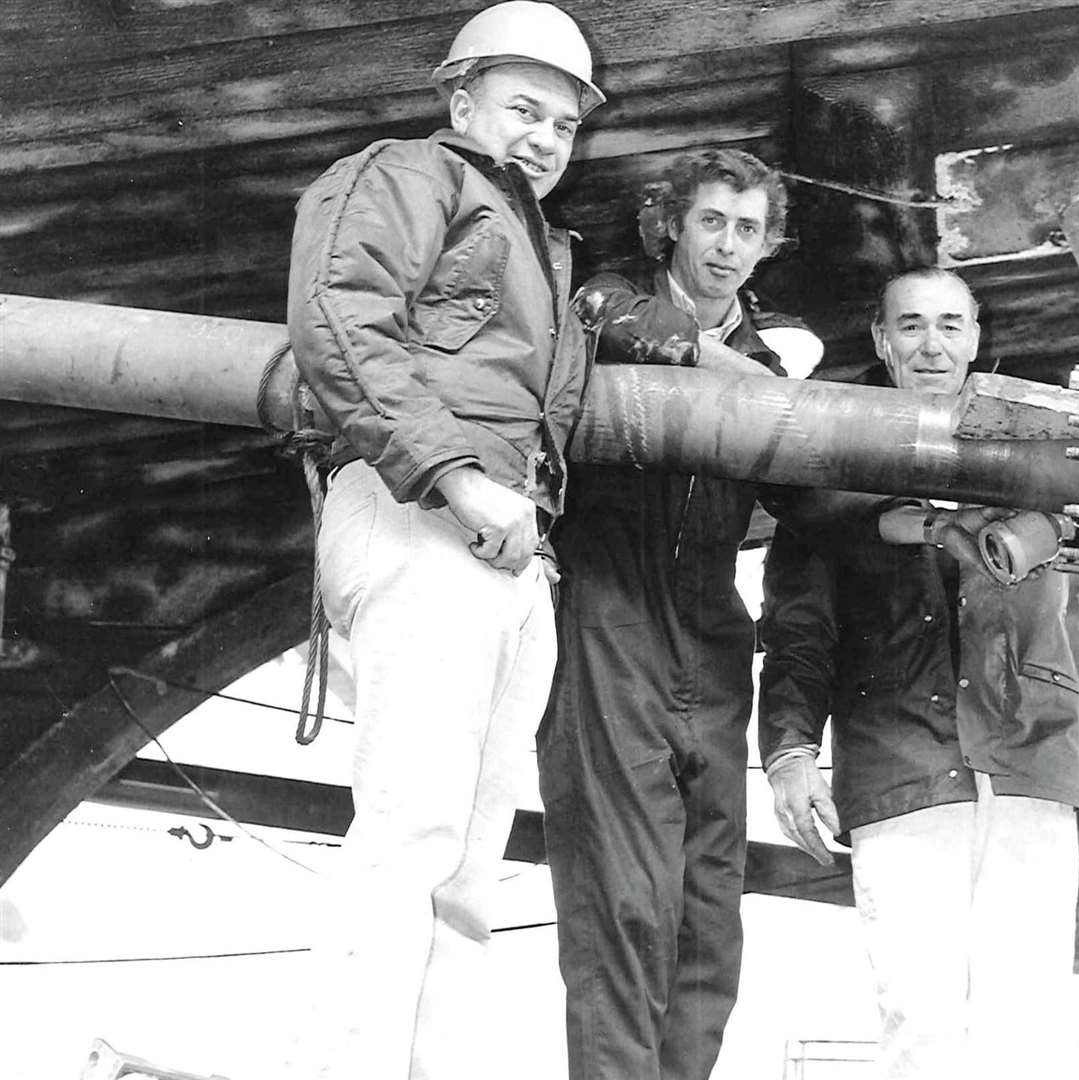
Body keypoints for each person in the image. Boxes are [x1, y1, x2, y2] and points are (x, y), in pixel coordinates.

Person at [284, 4, 603, 1076]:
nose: (545, 138)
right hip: (423, 512)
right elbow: (339, 317)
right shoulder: (405, 175)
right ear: (460, 100)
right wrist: (462, 478)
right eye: (524, 108)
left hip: (503, 545)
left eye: (563, 122)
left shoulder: (541, 240)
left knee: (468, 872)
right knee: (410, 836)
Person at [757, 267, 1079, 1080]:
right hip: (901, 766)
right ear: (879, 340)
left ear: (977, 337)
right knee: (920, 1023)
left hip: (1026, 762)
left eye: (949, 325)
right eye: (909, 326)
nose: (931, 345)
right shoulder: (829, 471)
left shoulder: (1046, 450)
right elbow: (800, 637)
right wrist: (790, 754)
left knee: (1029, 1023)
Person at [537, 148, 822, 1080]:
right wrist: (729, 367)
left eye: (747, 229)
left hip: (710, 629)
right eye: (711, 222)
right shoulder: (613, 296)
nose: (728, 246)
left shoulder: (780, 345)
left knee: (709, 904)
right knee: (622, 895)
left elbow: (806, 459)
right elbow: (607, 316)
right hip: (609, 615)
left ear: (766, 244)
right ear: (672, 224)